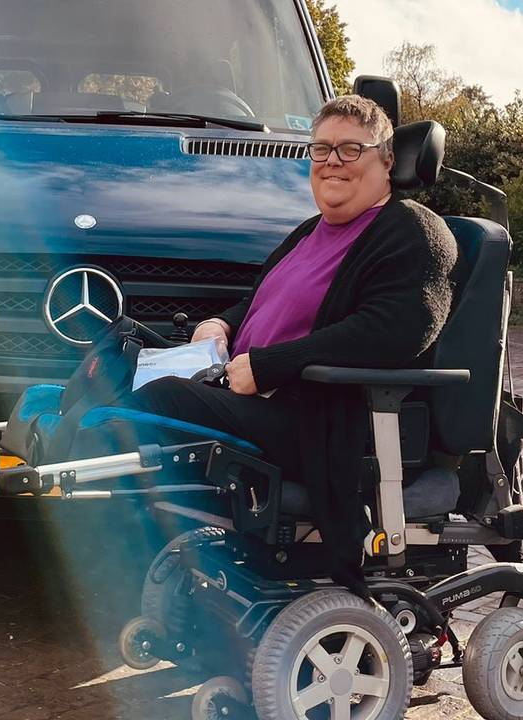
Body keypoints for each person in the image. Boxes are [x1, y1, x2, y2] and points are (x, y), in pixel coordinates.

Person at [119, 95, 458, 590]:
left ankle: (68, 492)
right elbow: (264, 301)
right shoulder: (309, 232)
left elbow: (397, 329)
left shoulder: (415, 232)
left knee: (163, 397)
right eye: (321, 149)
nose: (332, 162)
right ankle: (56, 436)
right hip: (244, 390)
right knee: (119, 350)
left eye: (350, 149)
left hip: (315, 419)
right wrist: (222, 325)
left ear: (387, 160)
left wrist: (271, 365)